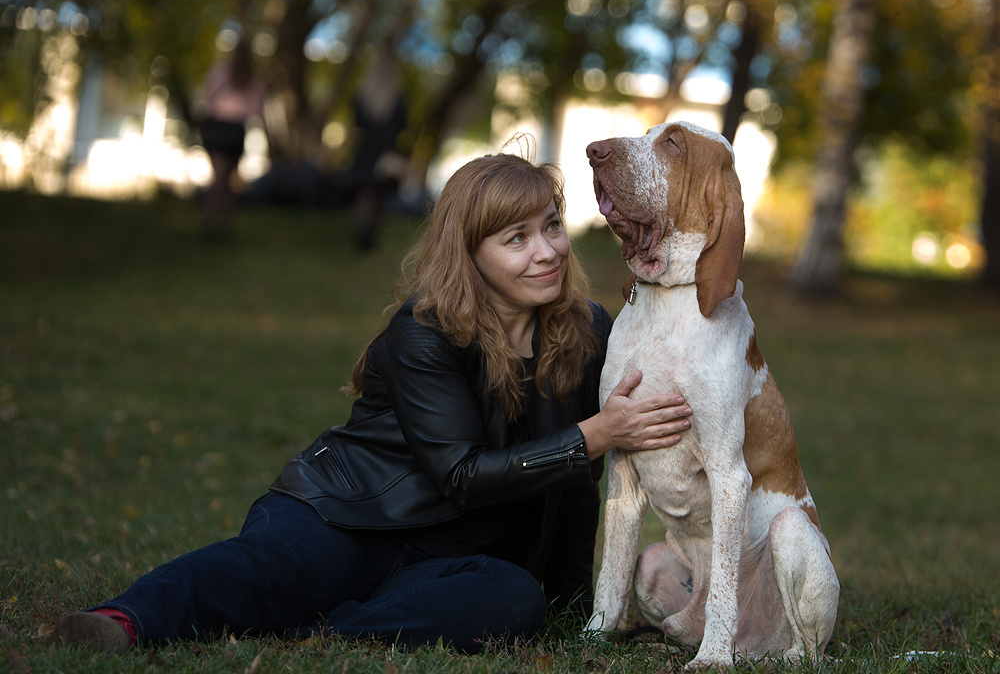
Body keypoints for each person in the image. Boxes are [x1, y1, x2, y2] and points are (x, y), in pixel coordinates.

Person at [48, 152, 693, 653]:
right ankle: (123, 621)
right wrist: (595, 435)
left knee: (512, 600)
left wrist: (575, 607)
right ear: (470, 256)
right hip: (346, 517)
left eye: (551, 226)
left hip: (450, 560)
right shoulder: (426, 330)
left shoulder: (588, 332)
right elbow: (463, 475)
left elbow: (575, 492)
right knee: (266, 568)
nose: (547, 251)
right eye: (516, 238)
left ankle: (325, 630)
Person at [199, 38, 267, 238]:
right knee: (227, 179)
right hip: (236, 130)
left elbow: (209, 99)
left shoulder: (221, 73)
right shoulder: (254, 80)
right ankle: (224, 224)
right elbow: (256, 111)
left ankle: (212, 223)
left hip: (220, 128)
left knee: (219, 179)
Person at [349, 52, 409, 250]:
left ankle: (362, 233)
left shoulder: (362, 95)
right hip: (387, 152)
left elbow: (356, 123)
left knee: (365, 193)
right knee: (378, 196)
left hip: (365, 149)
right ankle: (370, 236)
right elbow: (402, 126)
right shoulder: (397, 96)